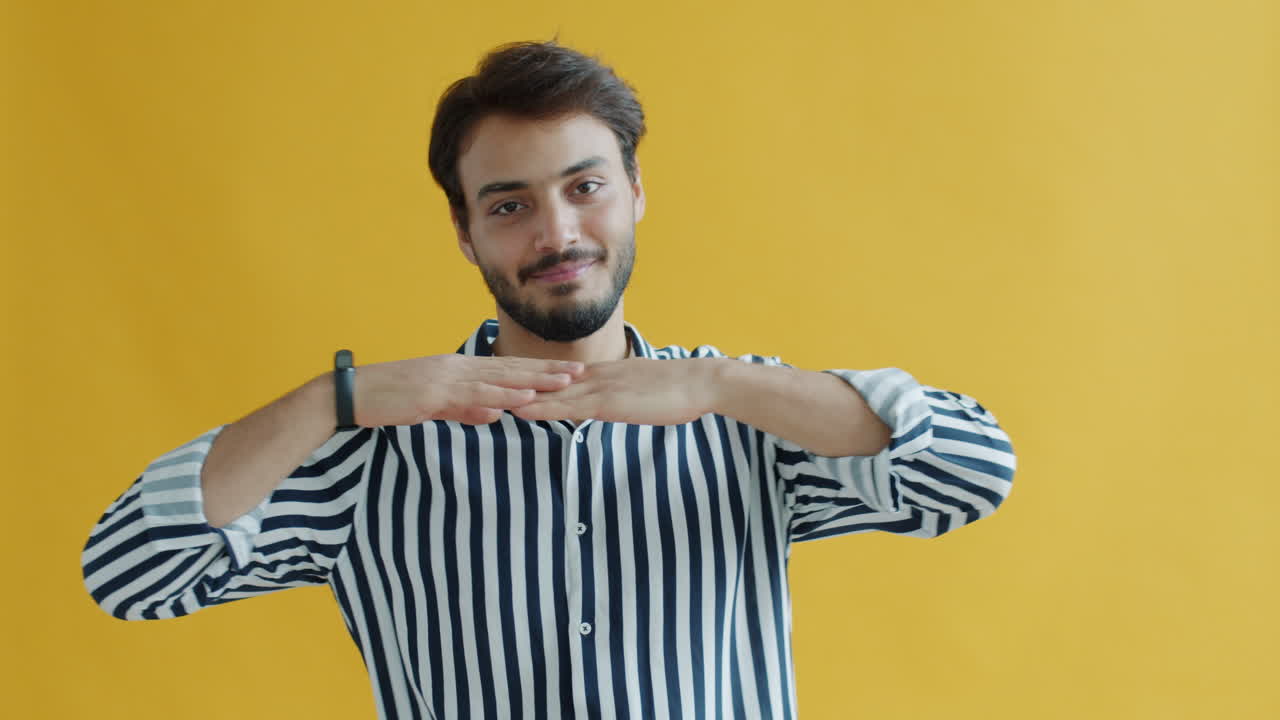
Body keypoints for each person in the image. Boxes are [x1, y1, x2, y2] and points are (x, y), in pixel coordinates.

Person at [81, 40, 1016, 719]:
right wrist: (338, 401)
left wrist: (725, 386)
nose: (557, 235)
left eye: (585, 186)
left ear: (636, 190)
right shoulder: (374, 452)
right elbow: (132, 573)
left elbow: (971, 472)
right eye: (510, 204)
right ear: (465, 232)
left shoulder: (744, 416)